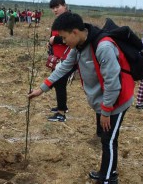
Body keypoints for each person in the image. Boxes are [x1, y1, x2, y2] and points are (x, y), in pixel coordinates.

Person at [28, 12, 135, 184]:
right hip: (104, 101)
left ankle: (107, 179)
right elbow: (64, 67)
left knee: (109, 140)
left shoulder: (103, 47)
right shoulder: (78, 47)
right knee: (105, 138)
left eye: (64, 37)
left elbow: (113, 83)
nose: (63, 42)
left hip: (116, 100)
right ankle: (107, 172)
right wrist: (42, 88)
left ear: (75, 32)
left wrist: (107, 110)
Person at [45, 0, 73, 122]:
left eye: (57, 7)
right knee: (57, 83)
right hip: (58, 57)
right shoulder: (59, 20)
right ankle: (62, 107)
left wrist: (54, 40)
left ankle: (61, 114)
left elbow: (72, 38)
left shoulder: (69, 20)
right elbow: (54, 36)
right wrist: (50, 43)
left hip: (66, 58)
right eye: (53, 8)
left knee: (60, 83)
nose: (55, 10)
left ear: (64, 6)